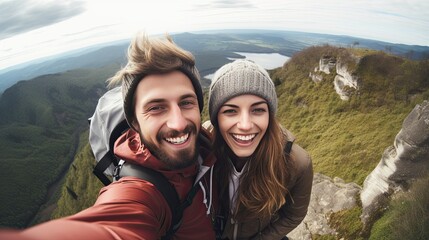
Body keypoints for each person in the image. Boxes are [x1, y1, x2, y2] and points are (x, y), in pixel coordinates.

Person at [0, 33, 216, 240]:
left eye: (186, 102)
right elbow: (112, 227)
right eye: (157, 108)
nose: (178, 123)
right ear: (134, 122)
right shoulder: (141, 193)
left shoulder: (209, 144)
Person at [206, 59, 313, 240]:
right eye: (231, 111)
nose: (246, 125)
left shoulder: (296, 163)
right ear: (216, 118)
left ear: (270, 115)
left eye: (257, 110)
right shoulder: (201, 147)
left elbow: (293, 215)